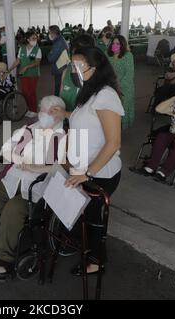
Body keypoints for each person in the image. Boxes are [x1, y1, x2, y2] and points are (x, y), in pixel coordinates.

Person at [0, 96, 67, 280]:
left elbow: (62, 168)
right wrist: (17, 158)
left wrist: (37, 167)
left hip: (37, 188)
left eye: (50, 111)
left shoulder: (63, 137)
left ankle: (5, 258)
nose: (44, 114)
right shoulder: (29, 129)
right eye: (42, 109)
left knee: (13, 209)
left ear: (59, 114)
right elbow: (6, 147)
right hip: (13, 180)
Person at [50, 47, 123, 276]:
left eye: (80, 66)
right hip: (84, 167)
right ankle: (82, 244)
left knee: (93, 218)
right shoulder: (89, 91)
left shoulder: (106, 95)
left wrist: (88, 173)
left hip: (101, 172)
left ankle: (97, 261)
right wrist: (66, 115)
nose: (75, 70)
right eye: (73, 65)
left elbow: (113, 143)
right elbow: (87, 119)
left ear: (96, 67)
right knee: (84, 212)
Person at [8, 31, 42, 118]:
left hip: (33, 74)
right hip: (24, 75)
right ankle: (29, 108)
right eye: (33, 38)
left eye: (35, 38)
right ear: (28, 39)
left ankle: (34, 110)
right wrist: (9, 69)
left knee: (31, 92)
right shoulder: (22, 48)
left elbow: (37, 62)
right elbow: (18, 61)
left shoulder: (38, 49)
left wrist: (26, 67)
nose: (35, 40)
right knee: (25, 92)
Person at [60, 34, 96, 112]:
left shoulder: (97, 77)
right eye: (74, 52)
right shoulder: (66, 72)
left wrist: (65, 115)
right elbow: (61, 99)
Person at [108, 35, 135, 129]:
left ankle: (119, 129)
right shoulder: (108, 55)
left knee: (122, 107)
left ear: (122, 45)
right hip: (110, 87)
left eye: (117, 44)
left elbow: (129, 74)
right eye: (113, 43)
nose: (114, 45)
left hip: (124, 88)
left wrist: (118, 86)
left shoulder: (128, 56)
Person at [47, 25, 69, 96]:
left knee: (59, 88)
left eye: (49, 32)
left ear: (53, 33)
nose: (49, 35)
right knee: (59, 87)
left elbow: (51, 58)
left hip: (60, 69)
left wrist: (49, 54)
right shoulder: (58, 40)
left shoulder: (59, 43)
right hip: (60, 67)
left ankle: (58, 102)